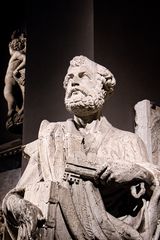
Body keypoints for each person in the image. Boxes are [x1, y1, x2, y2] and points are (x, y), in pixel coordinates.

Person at [2, 55, 160, 240]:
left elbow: (154, 184)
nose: (73, 82)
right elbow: (14, 197)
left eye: (83, 76)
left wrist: (137, 172)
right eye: (69, 79)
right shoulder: (52, 137)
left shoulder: (127, 141)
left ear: (103, 89)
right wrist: (23, 209)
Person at [3, 32, 26, 130]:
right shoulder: (13, 55)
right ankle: (14, 111)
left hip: (12, 79)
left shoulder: (17, 54)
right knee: (8, 95)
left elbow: (25, 59)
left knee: (9, 95)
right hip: (8, 81)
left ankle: (13, 111)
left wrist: (17, 69)